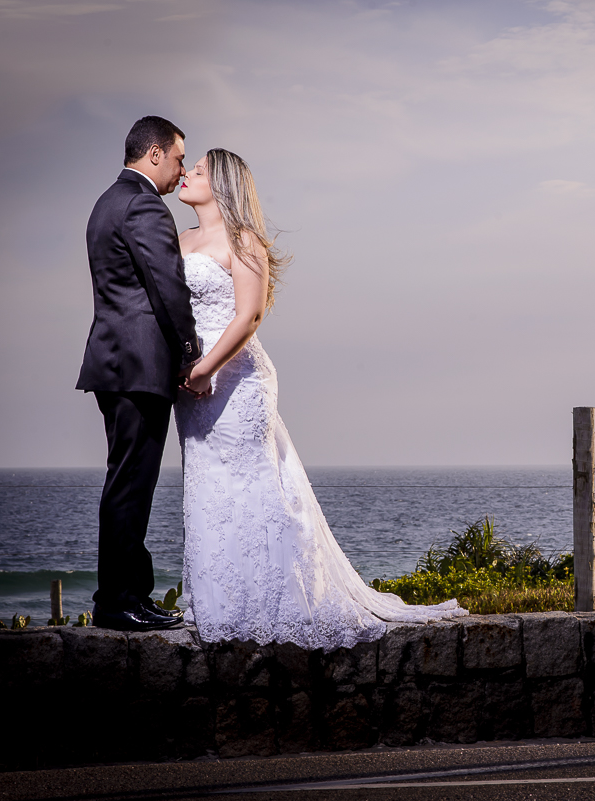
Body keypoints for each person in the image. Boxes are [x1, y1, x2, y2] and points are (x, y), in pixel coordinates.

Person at [174, 148, 466, 649]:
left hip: (236, 382)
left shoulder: (245, 242)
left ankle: (275, 604)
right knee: (208, 488)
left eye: (197, 170)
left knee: (252, 489)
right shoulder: (178, 239)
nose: (186, 174)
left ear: (221, 184)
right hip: (192, 389)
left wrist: (206, 368)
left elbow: (248, 316)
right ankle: (220, 604)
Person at [77, 116, 199, 632]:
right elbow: (167, 287)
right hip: (140, 365)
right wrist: (190, 350)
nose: (180, 170)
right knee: (131, 485)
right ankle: (118, 602)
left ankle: (133, 594)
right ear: (153, 154)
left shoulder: (106, 202)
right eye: (177, 159)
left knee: (127, 482)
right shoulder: (145, 205)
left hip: (114, 362)